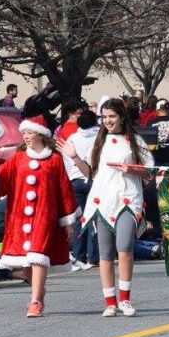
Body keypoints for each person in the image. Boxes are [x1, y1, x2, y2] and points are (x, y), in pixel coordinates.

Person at [0, 115, 78, 317]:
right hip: (19, 217)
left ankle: (35, 301)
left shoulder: (54, 160)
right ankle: (38, 289)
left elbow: (64, 189)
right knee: (26, 262)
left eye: (29, 132)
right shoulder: (18, 159)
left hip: (45, 217)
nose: (25, 136)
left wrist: (67, 221)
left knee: (38, 256)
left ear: (41, 134)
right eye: (24, 133)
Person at [60, 99, 154, 318]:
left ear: (121, 116)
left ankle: (126, 300)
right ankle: (110, 302)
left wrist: (132, 169)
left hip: (128, 199)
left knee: (125, 247)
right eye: (104, 117)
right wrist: (73, 155)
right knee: (105, 252)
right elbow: (89, 173)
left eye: (112, 116)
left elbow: (149, 173)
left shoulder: (134, 140)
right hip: (102, 201)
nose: (108, 121)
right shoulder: (97, 142)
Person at [61, 110, 99, 271]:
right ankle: (93, 256)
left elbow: (66, 160)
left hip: (75, 180)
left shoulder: (73, 138)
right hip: (94, 180)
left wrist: (70, 177)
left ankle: (78, 255)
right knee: (94, 218)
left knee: (79, 218)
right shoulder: (100, 137)